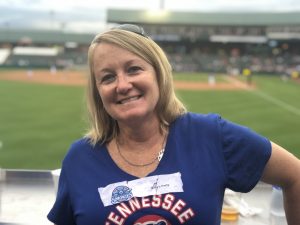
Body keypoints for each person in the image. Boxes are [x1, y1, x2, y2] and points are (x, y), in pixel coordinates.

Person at [47, 24, 300, 225]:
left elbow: (295, 175)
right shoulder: (79, 159)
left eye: (134, 69)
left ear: (159, 73)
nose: (122, 85)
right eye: (108, 77)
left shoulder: (211, 136)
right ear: (98, 92)